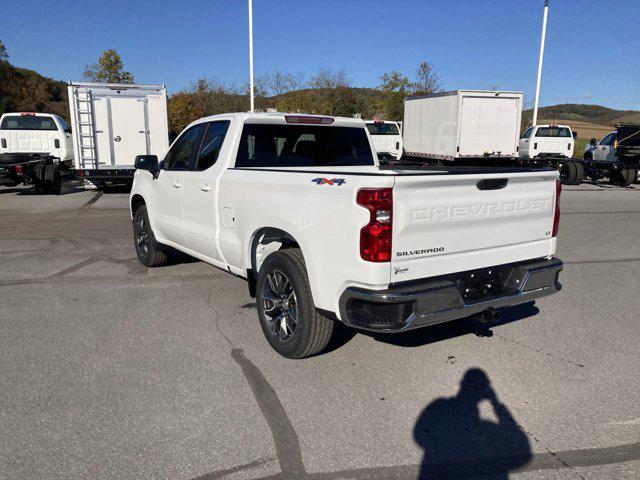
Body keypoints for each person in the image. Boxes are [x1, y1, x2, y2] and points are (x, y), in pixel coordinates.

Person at [413, 369, 531, 479]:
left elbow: (419, 434)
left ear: (462, 384)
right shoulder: (489, 428)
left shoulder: (440, 405)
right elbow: (523, 451)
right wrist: (495, 403)